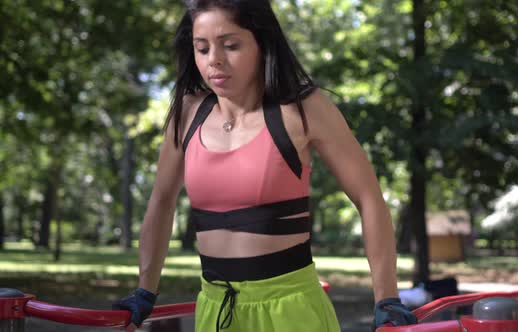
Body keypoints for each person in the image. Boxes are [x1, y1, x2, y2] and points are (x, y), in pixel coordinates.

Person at [112, 1, 418, 331]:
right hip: (215, 310)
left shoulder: (303, 109)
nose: (214, 59)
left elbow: (369, 197)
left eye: (231, 45)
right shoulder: (187, 114)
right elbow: (161, 201)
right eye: (202, 48)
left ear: (262, 42)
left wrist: (386, 298)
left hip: (290, 310)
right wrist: (145, 290)